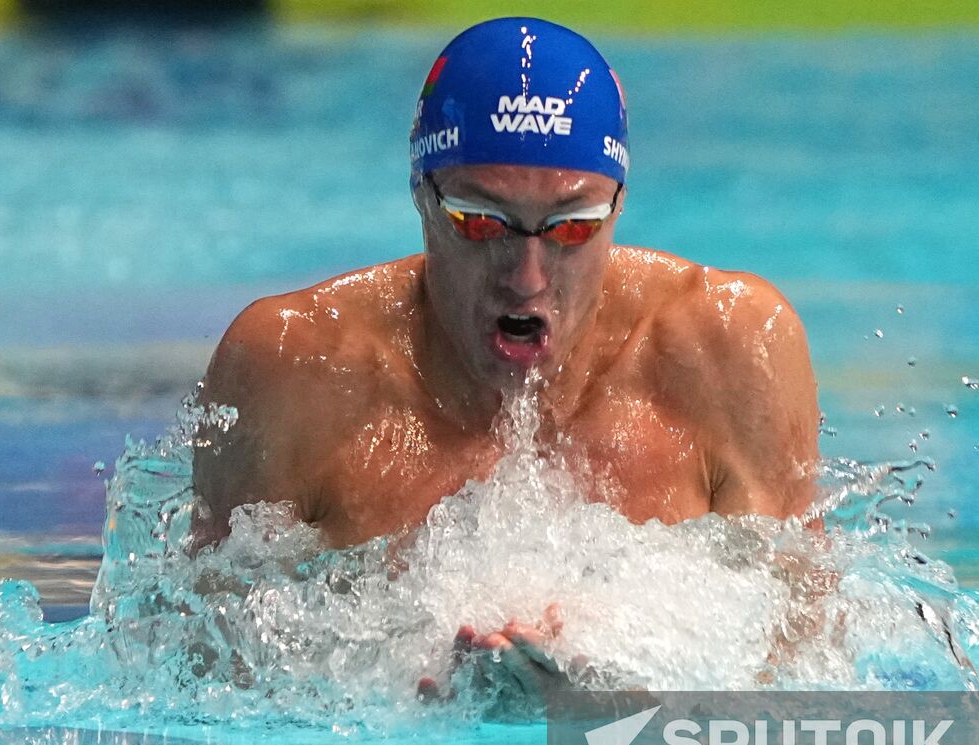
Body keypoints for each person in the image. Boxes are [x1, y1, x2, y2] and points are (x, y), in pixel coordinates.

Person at [190, 17, 820, 705]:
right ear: (422, 196)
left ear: (619, 207)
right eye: (482, 222)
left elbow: (804, 682)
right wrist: (412, 722)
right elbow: (203, 681)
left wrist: (611, 717)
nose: (526, 277)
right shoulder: (297, 370)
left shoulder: (728, 351)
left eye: (572, 227)